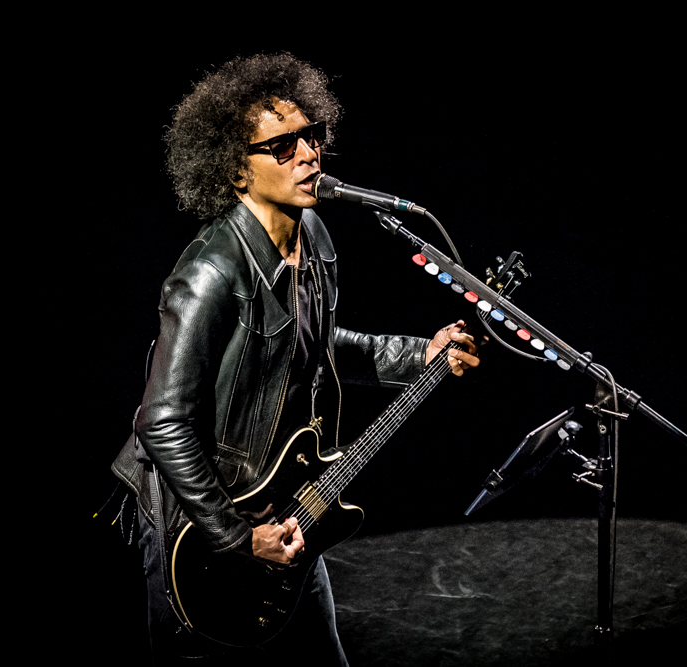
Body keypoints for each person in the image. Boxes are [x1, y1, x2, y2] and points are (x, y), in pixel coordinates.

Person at [110, 52, 479, 665]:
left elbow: (314, 345)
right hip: (197, 528)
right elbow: (162, 422)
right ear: (236, 170)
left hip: (282, 508)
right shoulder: (210, 272)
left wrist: (422, 353)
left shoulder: (315, 240)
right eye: (282, 146)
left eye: (312, 136)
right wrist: (236, 537)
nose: (308, 154)